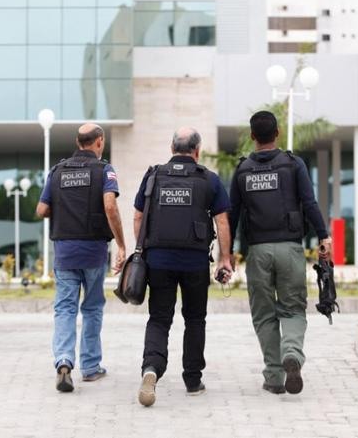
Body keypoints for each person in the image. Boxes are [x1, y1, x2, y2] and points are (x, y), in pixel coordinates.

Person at [229, 111, 333, 395]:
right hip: (290, 248)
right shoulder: (293, 164)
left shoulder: (242, 170)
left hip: (258, 251)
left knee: (264, 315)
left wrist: (227, 254)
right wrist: (323, 236)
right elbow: (309, 203)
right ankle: (292, 355)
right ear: (277, 133)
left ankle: (274, 378)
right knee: (293, 309)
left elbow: (233, 215)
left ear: (252, 136)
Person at [134, 127, 233, 407]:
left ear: (171, 147)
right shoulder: (209, 180)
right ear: (197, 150)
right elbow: (222, 222)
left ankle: (151, 368)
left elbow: (138, 216)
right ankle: (192, 380)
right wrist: (225, 259)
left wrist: (140, 251)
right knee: (194, 319)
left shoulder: (153, 175)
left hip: (159, 260)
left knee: (159, 318)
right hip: (194, 261)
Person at [36, 123, 126, 393]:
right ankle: (90, 367)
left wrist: (64, 208)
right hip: (94, 251)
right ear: (99, 142)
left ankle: (63, 361)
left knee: (64, 308)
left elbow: (42, 209)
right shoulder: (105, 170)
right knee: (92, 307)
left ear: (78, 142)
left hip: (65, 251)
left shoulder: (57, 171)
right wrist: (121, 244)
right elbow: (110, 206)